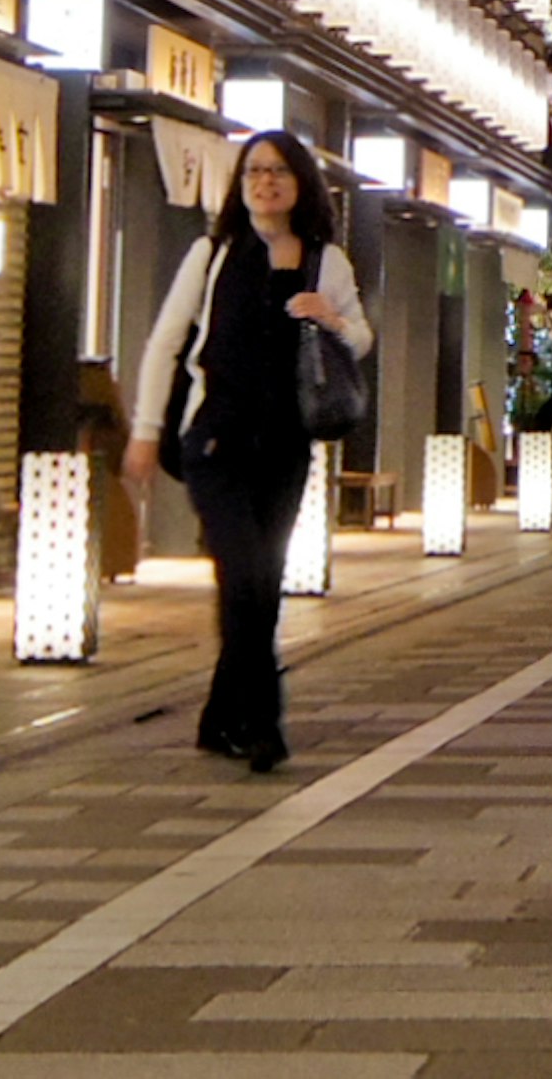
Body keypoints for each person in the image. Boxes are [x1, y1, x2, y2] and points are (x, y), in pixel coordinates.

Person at [126, 132, 372, 772]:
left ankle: (217, 717)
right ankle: (262, 723)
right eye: (255, 172)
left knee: (262, 583)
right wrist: (147, 431)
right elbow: (165, 343)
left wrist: (335, 320)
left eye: (280, 172)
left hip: (286, 446)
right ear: (240, 184)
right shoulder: (210, 254)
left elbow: (362, 338)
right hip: (215, 440)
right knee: (246, 575)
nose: (266, 183)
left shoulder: (327, 262)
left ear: (301, 185)